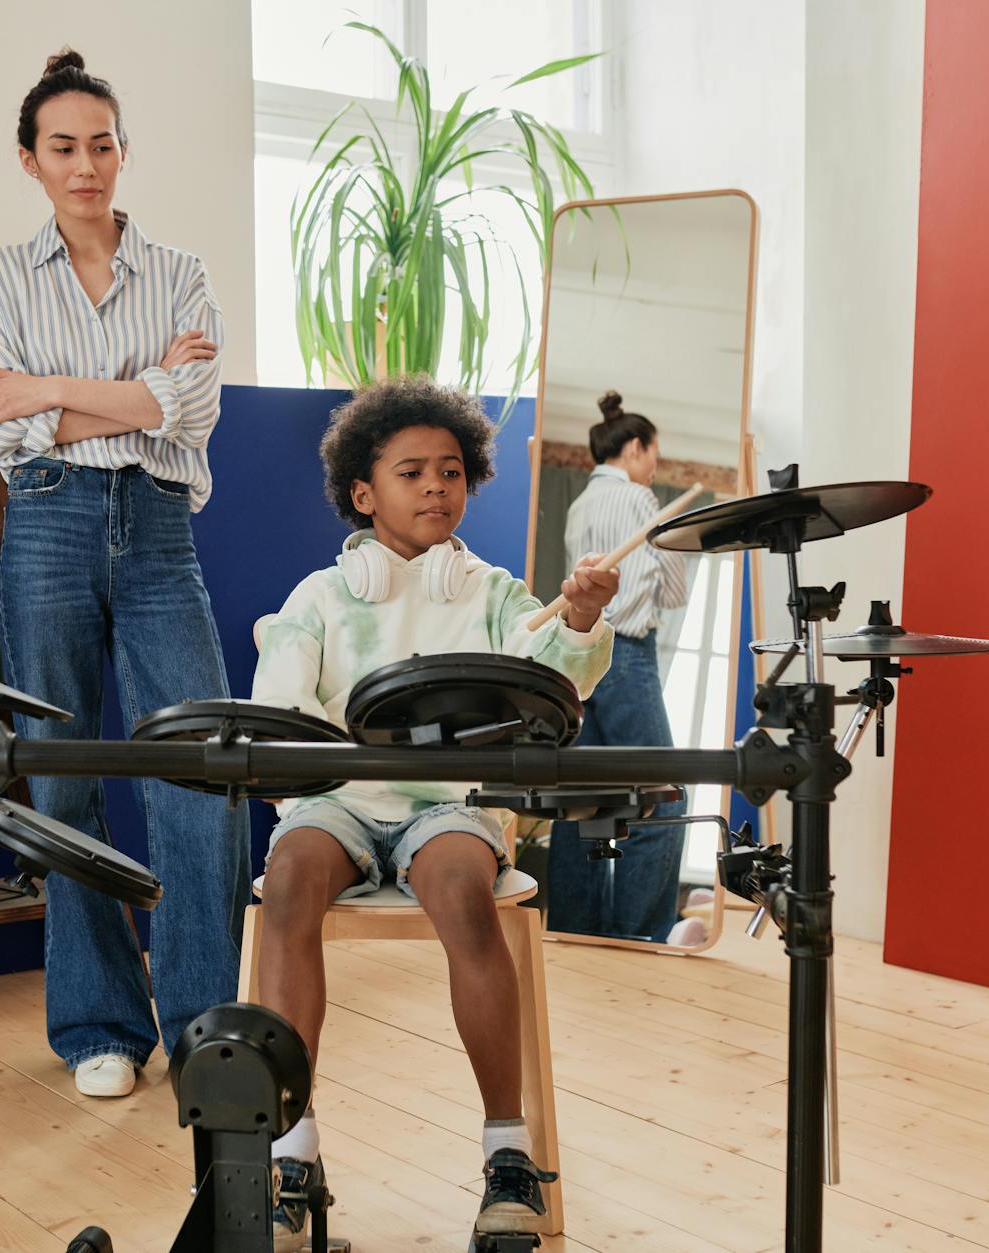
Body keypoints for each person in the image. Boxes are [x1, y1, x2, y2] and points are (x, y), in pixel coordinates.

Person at [250, 376, 617, 1248]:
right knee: (290, 877)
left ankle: (507, 1156)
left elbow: (557, 680)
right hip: (338, 801)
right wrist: (304, 761)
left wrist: (584, 615)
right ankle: (292, 1159)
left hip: (450, 806)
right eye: (411, 471)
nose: (434, 487)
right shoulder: (319, 598)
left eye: (450, 470)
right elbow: (281, 707)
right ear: (363, 493)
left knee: (459, 886)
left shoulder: (491, 593)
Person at [0, 49, 247, 1099]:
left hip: (159, 527)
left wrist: (53, 389)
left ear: (122, 151)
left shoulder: (181, 272)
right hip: (45, 526)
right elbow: (11, 428)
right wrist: (133, 392)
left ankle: (204, 1021)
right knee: (61, 771)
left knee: (201, 773)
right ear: (31, 161)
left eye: (101, 144)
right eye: (62, 148)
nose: (85, 165)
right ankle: (98, 1024)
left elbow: (193, 406)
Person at [548, 390, 694, 943]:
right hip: (627, 655)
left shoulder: (579, 504)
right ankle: (637, 938)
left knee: (582, 802)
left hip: (582, 659)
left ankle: (575, 932)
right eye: (653, 454)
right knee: (665, 798)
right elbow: (674, 591)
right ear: (634, 448)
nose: (654, 467)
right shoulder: (638, 499)